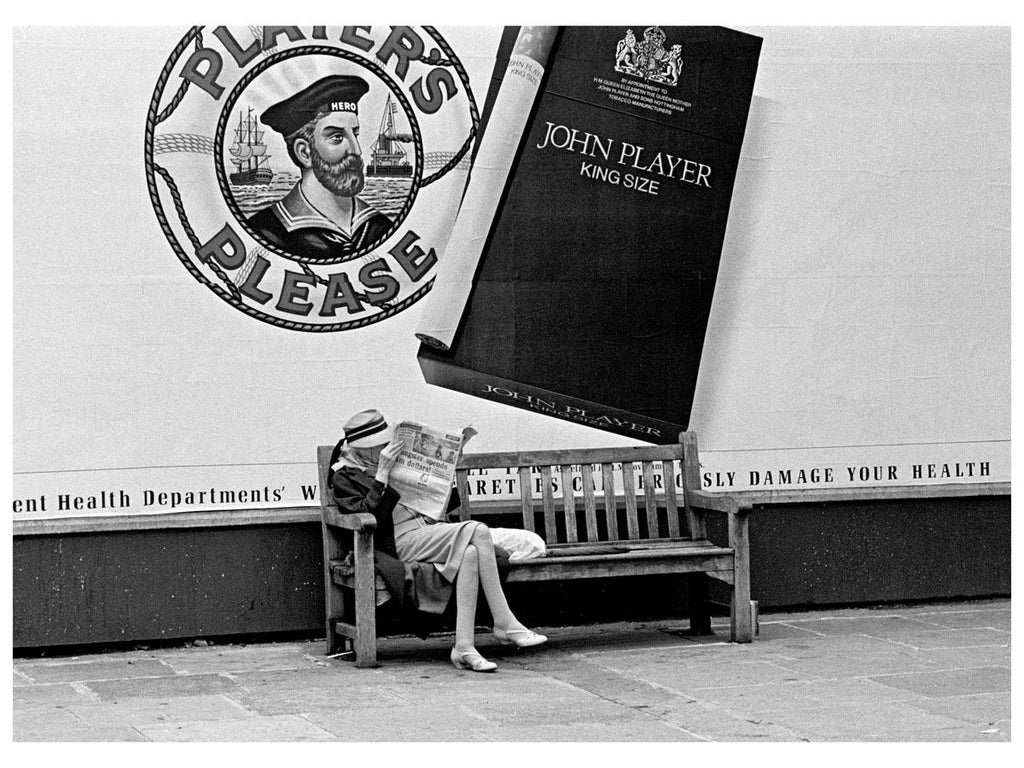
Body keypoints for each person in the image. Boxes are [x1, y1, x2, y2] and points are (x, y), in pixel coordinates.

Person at [330, 409, 547, 672]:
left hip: (425, 530)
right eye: (378, 446)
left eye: (385, 442)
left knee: (471, 554)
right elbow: (369, 516)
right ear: (361, 450)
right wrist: (383, 474)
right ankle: (504, 621)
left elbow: (436, 502)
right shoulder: (345, 476)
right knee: (478, 531)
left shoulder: (395, 462)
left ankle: (464, 647)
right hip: (394, 543)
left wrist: (445, 470)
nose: (385, 449)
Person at [249, 75, 393, 261]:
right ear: (304, 152)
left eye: (355, 134)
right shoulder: (267, 231)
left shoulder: (378, 225)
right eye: (337, 137)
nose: (356, 150)